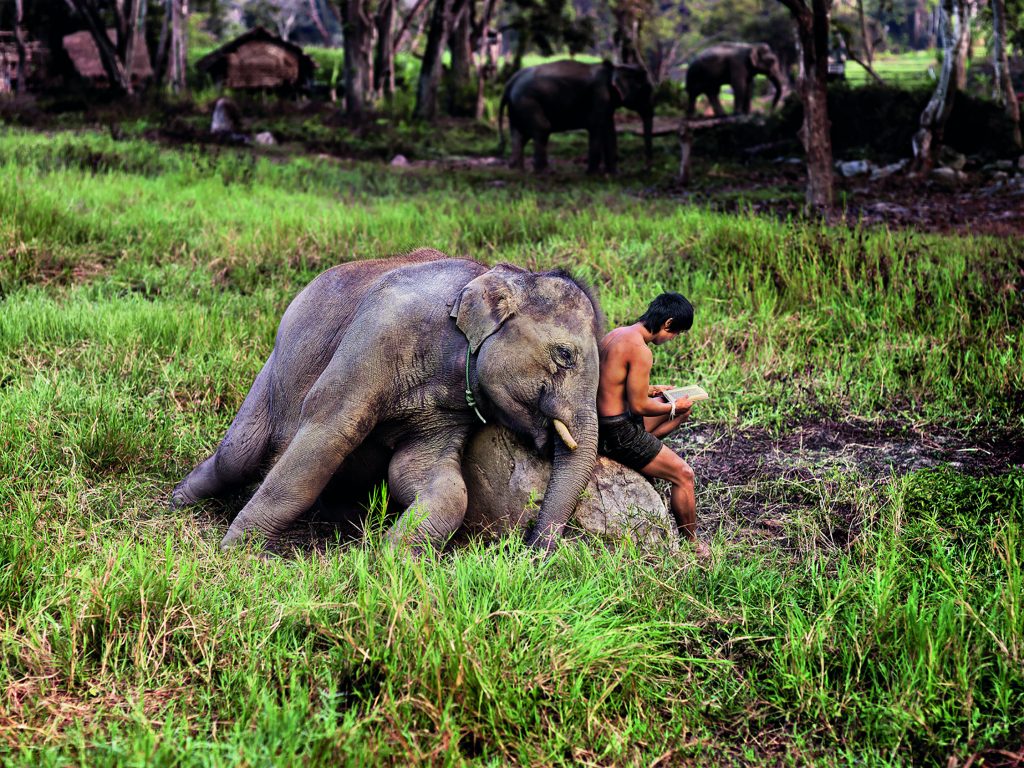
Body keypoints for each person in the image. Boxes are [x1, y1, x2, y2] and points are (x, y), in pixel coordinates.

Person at [596, 292, 708, 556]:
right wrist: (671, 405)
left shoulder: (617, 335)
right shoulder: (641, 351)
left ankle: (648, 455)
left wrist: (654, 390)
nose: (673, 340)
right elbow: (638, 407)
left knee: (684, 410)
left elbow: (612, 385)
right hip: (618, 431)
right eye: (676, 334)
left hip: (603, 422)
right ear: (667, 324)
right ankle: (693, 546)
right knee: (684, 475)